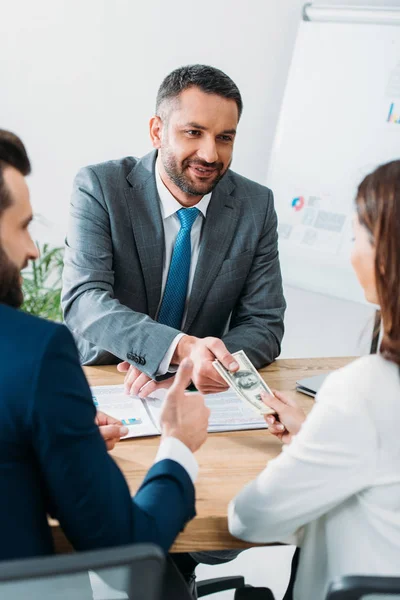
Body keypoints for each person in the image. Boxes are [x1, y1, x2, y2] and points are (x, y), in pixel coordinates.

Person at [0, 129, 210, 562]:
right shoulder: (36, 355)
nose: (33, 252)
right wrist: (178, 446)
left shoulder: (253, 203)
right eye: (22, 227)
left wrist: (56, 429)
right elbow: (126, 544)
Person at [61, 64, 286, 401]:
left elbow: (264, 322)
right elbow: (84, 301)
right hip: (104, 380)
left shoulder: (255, 205)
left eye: (224, 137)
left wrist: (204, 368)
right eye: (193, 132)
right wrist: (178, 349)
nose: (210, 154)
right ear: (157, 132)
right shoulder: (101, 187)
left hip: (194, 394)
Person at [228, 160, 400, 600]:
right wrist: (319, 436)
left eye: (359, 234)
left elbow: (248, 519)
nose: (352, 252)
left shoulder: (364, 390)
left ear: (387, 253)